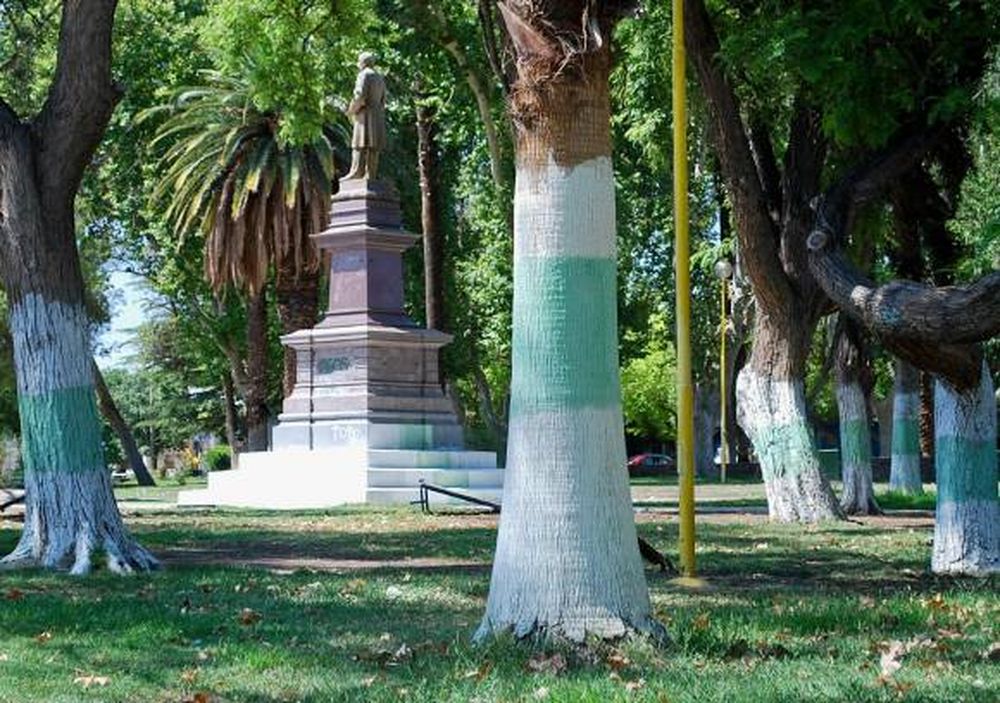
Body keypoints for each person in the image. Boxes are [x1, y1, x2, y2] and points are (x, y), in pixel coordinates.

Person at [344, 52, 386, 180]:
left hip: (364, 114)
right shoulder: (380, 77)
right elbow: (383, 100)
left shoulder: (363, 75)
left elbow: (359, 97)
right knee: (373, 147)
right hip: (377, 115)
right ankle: (370, 174)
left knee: (358, 145)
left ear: (363, 62)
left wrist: (350, 111)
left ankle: (356, 172)